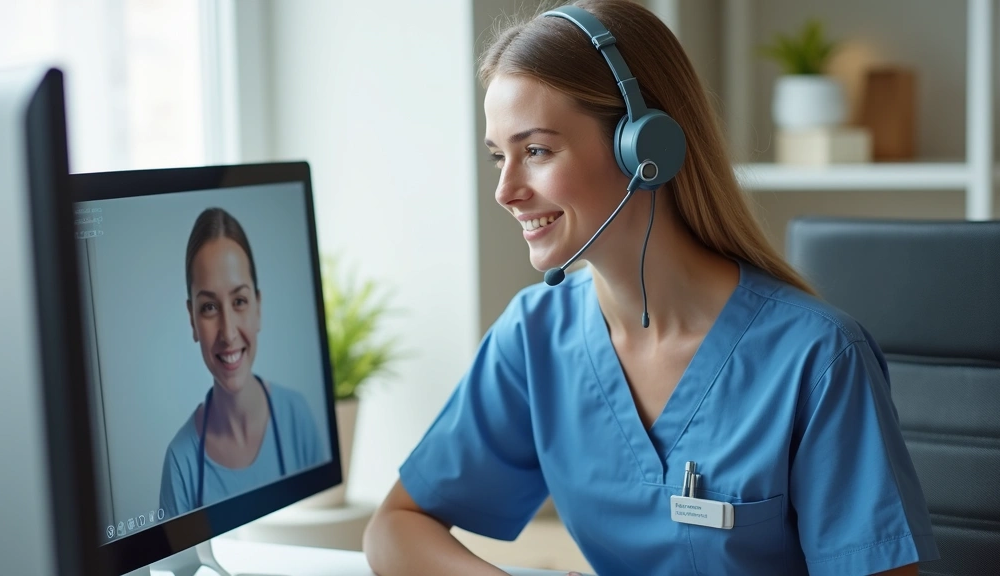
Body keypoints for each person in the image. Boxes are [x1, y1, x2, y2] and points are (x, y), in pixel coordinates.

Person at [362, 1, 939, 575]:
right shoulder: (536, 334)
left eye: (535, 151)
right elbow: (395, 529)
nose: (506, 191)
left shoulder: (817, 360)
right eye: (498, 157)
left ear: (645, 148)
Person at [159, 207, 326, 518]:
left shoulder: (297, 416)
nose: (229, 332)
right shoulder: (180, 462)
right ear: (192, 320)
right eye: (209, 307)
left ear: (258, 307)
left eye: (239, 301)